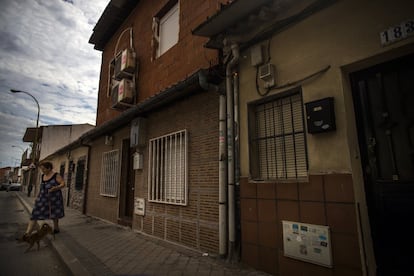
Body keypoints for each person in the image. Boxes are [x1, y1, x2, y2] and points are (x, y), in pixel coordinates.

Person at [23, 161, 65, 236]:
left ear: (49, 168)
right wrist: (38, 197)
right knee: (34, 214)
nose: (42, 170)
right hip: (42, 199)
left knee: (54, 213)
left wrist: (56, 187)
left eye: (44, 169)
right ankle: (27, 233)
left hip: (54, 199)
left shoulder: (56, 175)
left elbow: (63, 184)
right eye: (41, 169)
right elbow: (41, 188)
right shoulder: (42, 176)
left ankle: (56, 228)